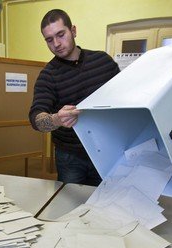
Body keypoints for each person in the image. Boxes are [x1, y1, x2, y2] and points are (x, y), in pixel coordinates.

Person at [29, 9, 120, 186]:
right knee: (69, 205)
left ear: (74, 30)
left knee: (105, 204)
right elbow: (36, 119)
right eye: (49, 39)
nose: (56, 43)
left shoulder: (103, 61)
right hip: (70, 157)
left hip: (107, 150)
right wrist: (56, 119)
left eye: (60, 34)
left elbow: (124, 99)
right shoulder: (48, 75)